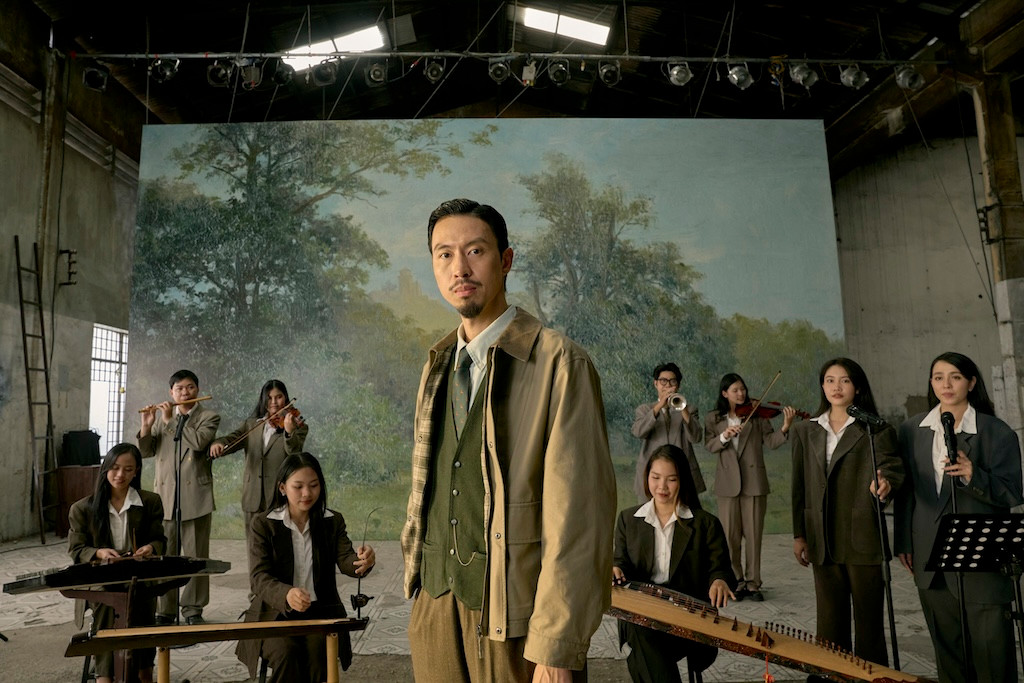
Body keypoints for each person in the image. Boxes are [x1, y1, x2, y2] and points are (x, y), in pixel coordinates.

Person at [401, 198, 616, 683]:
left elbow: (580, 519)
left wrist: (557, 647)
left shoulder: (561, 363)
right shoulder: (436, 365)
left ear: (506, 260)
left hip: (515, 618)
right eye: (444, 254)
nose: (460, 268)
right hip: (434, 607)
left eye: (475, 251)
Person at [894, 351, 1022, 683]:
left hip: (983, 555)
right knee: (948, 655)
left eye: (955, 377)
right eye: (938, 377)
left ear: (972, 383)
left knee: (992, 655)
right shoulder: (911, 430)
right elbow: (907, 492)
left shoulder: (996, 432)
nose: (946, 384)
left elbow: (1013, 492)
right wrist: (904, 542)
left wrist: (972, 475)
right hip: (929, 556)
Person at [790, 358, 903, 666]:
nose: (836, 387)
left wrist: (885, 482)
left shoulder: (876, 430)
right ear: (822, 386)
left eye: (845, 380)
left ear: (858, 387)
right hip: (821, 536)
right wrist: (800, 534)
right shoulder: (805, 431)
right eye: (830, 380)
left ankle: (871, 676)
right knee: (829, 621)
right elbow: (799, 486)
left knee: (869, 623)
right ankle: (830, 675)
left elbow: (891, 467)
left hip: (863, 534)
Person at [236, 452, 375, 683]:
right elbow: (259, 577)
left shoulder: (332, 521)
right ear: (282, 488)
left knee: (320, 655)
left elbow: (346, 560)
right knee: (286, 654)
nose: (307, 493)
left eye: (314, 485)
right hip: (274, 613)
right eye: (298, 486)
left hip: (321, 612)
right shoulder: (263, 524)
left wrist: (363, 561)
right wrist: (287, 594)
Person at [613, 444, 735, 683]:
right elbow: (621, 563)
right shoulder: (629, 520)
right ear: (646, 476)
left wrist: (719, 580)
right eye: (655, 477)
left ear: (683, 481)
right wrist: (616, 569)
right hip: (643, 615)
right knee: (640, 629)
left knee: (641, 653)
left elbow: (720, 569)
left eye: (671, 479)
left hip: (686, 621)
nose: (662, 486)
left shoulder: (705, 524)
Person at [68, 443, 166, 683]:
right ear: (105, 468)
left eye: (128, 469)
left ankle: (144, 673)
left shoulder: (150, 502)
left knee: (141, 600)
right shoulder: (83, 508)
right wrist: (99, 553)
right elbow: (77, 550)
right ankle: (105, 676)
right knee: (107, 602)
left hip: (137, 576)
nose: (120, 474)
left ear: (136, 471)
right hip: (101, 578)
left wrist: (151, 548)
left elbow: (159, 539)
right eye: (115, 468)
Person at [137, 369, 220, 625]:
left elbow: (198, 443)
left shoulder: (208, 417)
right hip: (165, 497)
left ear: (197, 389)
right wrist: (147, 425)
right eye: (179, 388)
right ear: (171, 392)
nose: (185, 392)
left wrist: (170, 421)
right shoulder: (162, 418)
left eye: (190, 387)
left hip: (195, 496)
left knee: (196, 557)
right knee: (165, 557)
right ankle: (166, 610)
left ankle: (193, 609)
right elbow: (147, 452)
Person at [704, 372, 794, 601]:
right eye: (735, 390)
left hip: (754, 483)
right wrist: (724, 436)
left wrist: (785, 427)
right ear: (725, 393)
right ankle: (736, 581)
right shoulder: (714, 418)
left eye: (743, 389)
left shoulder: (758, 416)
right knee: (730, 537)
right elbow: (710, 446)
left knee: (754, 536)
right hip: (727, 484)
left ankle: (753, 583)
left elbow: (771, 442)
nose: (741, 393)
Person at [210, 379, 308, 539]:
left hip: (279, 494)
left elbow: (295, 454)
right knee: (254, 544)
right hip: (252, 494)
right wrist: (218, 443)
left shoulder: (297, 426)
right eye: (269, 398)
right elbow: (232, 439)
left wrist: (289, 433)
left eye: (278, 397)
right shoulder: (251, 425)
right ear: (263, 400)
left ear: (286, 398)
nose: (274, 402)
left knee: (279, 543)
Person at [631, 362, 706, 503]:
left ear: (678, 385)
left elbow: (696, 437)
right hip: (651, 475)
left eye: (672, 381)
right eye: (663, 381)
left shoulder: (689, 410)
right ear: (656, 384)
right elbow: (638, 432)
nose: (667, 385)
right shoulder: (644, 409)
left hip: (682, 474)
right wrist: (659, 406)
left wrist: (683, 409)